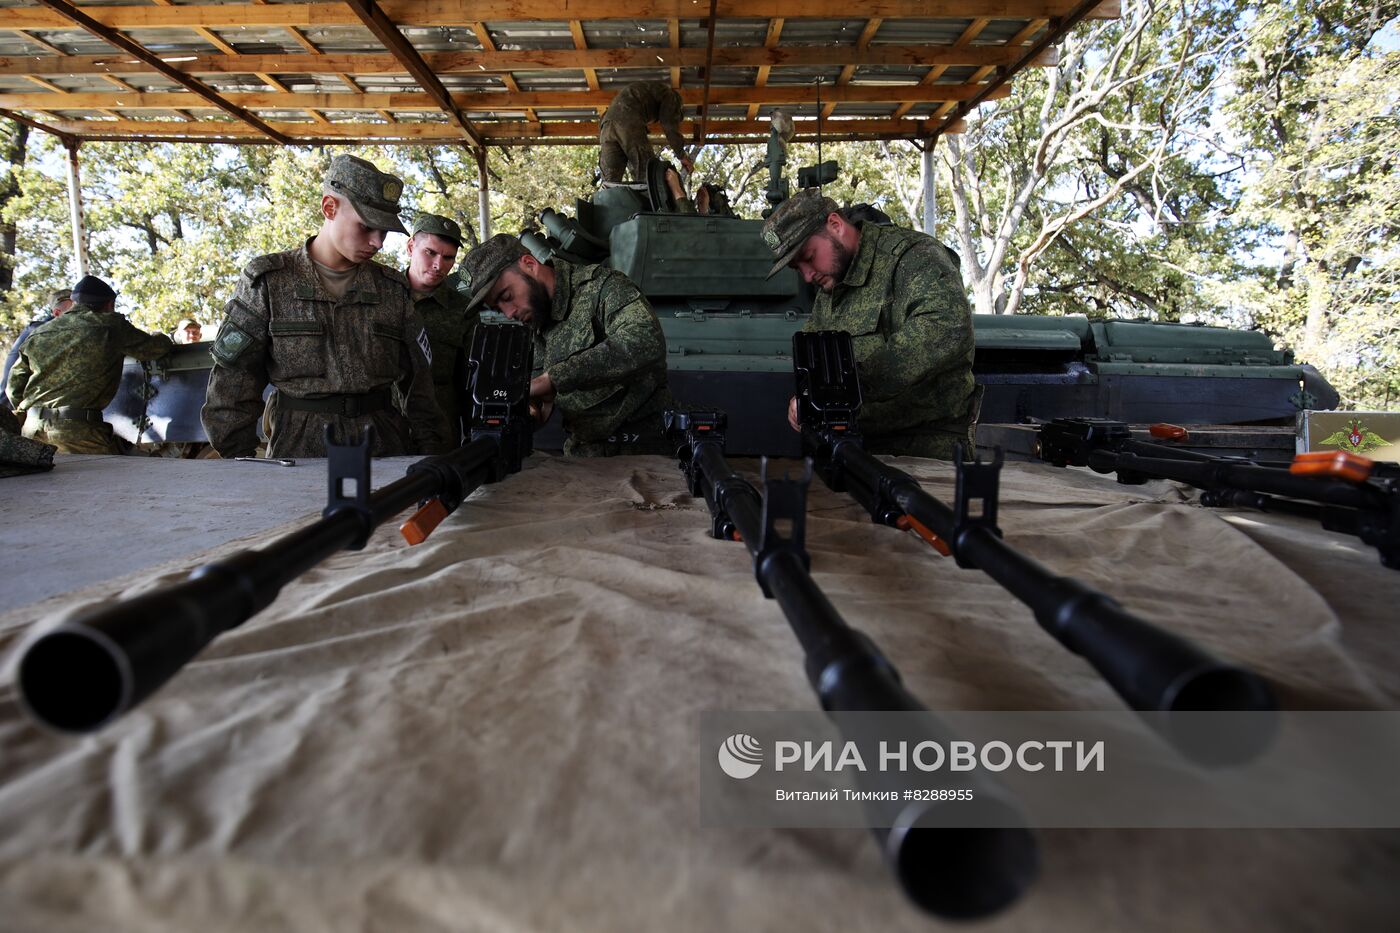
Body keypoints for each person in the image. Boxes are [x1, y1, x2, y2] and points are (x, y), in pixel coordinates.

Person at [201, 154, 451, 459]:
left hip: (383, 448)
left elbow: (420, 389)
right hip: (301, 450)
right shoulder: (270, 282)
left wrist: (431, 455)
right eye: (366, 227)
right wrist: (240, 461)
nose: (378, 242)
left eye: (384, 231)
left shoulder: (391, 289)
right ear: (329, 208)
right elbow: (234, 383)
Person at [762, 189, 978, 459]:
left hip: (927, 454)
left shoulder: (912, 257)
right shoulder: (830, 290)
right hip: (857, 453)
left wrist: (849, 385)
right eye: (797, 268)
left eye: (808, 257)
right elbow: (817, 359)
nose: (806, 276)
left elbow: (947, 327)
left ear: (835, 225)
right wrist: (803, 399)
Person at [459, 234, 673, 457]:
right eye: (498, 308)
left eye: (507, 296)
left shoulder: (603, 287)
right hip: (585, 455)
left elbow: (645, 340)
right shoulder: (535, 321)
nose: (509, 312)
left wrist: (554, 378)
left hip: (647, 451)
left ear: (530, 264)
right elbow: (541, 401)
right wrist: (529, 411)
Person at [6, 275, 173, 454]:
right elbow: (155, 349)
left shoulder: (38, 333)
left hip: (32, 429)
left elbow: (14, 388)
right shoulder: (110, 326)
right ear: (110, 305)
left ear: (74, 302)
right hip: (77, 433)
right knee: (118, 480)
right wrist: (162, 336)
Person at [406, 212, 479, 447]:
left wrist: (475, 437)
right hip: (385, 431)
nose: (439, 265)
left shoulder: (463, 310)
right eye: (430, 252)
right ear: (410, 247)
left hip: (438, 436)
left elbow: (470, 382)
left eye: (448, 258)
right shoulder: (382, 296)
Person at [598, 81, 694, 183]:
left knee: (609, 182)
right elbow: (669, 125)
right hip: (628, 120)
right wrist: (682, 155)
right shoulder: (671, 96)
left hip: (606, 127)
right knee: (648, 174)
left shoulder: (645, 92)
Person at [2, 288, 73, 413]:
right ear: (56, 313)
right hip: (11, 410)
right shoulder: (40, 331)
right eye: (71, 311)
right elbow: (13, 387)